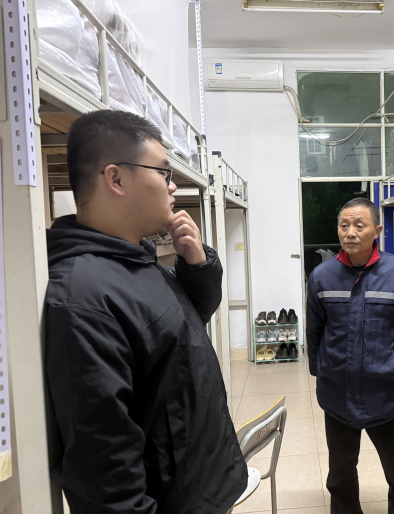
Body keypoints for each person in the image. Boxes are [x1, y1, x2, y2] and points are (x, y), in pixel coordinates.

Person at [44, 110, 247, 513]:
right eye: (163, 172)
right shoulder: (84, 298)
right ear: (116, 178)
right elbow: (106, 476)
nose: (173, 186)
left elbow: (184, 325)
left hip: (201, 487)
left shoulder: (136, 258)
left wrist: (197, 265)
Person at [307, 198, 394, 514]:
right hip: (337, 393)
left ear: (377, 230)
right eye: (344, 225)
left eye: (359, 225)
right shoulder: (322, 276)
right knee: (340, 474)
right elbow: (314, 330)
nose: (350, 232)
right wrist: (320, 372)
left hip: (388, 393)